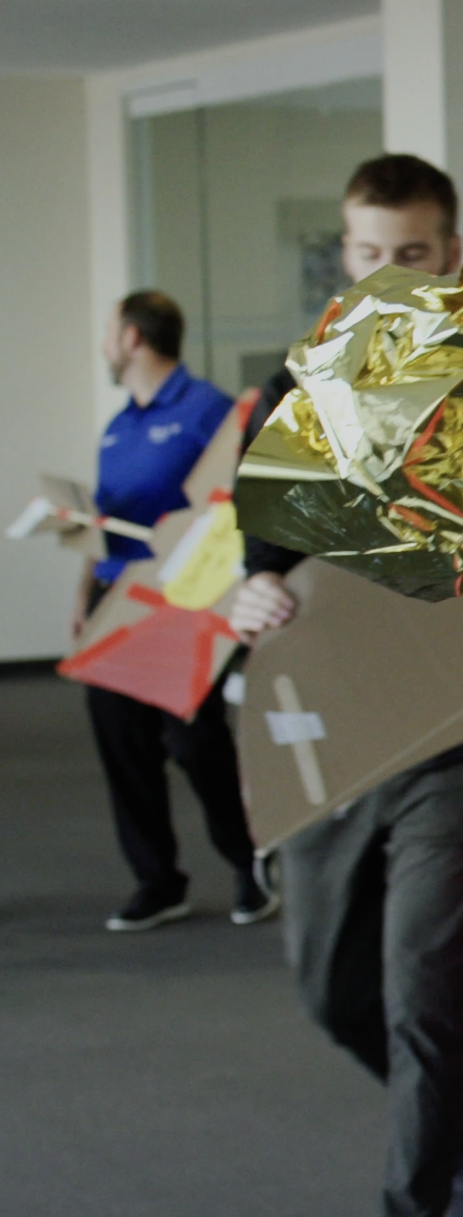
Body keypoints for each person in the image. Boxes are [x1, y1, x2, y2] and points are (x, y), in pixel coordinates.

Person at [227, 153, 463, 1217]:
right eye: (367, 251)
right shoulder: (290, 395)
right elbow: (257, 557)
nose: (388, 271)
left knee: (421, 1002)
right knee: (326, 992)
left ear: (448, 256)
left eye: (413, 252)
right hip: (331, 736)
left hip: (459, 734)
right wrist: (249, 598)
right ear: (342, 256)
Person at [81, 290, 270, 932]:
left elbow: (238, 500)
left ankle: (251, 867)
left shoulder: (206, 409)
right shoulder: (117, 424)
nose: (106, 344)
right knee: (122, 744)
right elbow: (105, 520)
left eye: (110, 332)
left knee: (196, 744)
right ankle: (158, 881)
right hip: (118, 599)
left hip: (185, 600)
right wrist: (85, 601)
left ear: (133, 337)